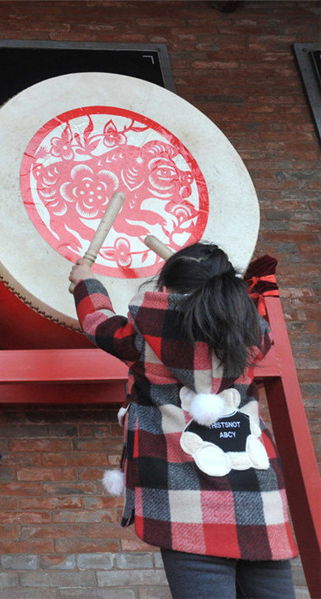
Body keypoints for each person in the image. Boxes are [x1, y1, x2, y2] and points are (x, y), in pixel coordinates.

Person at [69, 242, 298, 599]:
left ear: (164, 289)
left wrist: (86, 282)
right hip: (259, 497)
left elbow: (98, 322)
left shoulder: (142, 339)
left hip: (185, 504)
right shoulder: (253, 335)